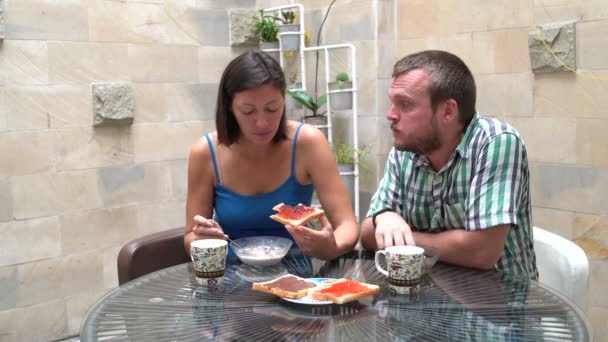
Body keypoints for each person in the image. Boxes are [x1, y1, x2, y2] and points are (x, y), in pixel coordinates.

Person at [360, 50, 538, 279]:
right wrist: (384, 216)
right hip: (426, 300)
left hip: (499, 305)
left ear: (448, 111)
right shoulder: (406, 149)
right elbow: (366, 234)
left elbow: (482, 252)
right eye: (392, 103)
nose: (391, 115)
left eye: (404, 104)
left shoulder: (496, 143)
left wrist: (401, 240)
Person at [185, 50, 358, 260]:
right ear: (229, 107)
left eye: (272, 108)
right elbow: (190, 236)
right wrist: (201, 239)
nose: (262, 122)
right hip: (228, 280)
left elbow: (348, 225)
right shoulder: (205, 152)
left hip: (296, 280)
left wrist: (331, 246)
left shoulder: (308, 143)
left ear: (284, 102)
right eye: (248, 111)